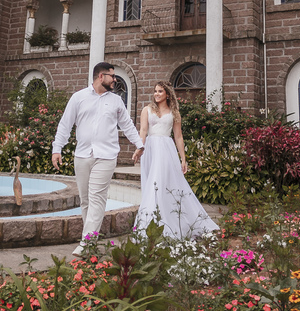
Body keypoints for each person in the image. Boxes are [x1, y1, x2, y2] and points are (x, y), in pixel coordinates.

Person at [52, 62, 144, 256]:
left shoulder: (116, 101)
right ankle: (91, 240)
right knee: (85, 200)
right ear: (101, 76)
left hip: (106, 156)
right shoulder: (78, 98)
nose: (115, 80)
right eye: (112, 76)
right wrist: (57, 148)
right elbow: (65, 124)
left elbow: (127, 125)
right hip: (82, 155)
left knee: (97, 198)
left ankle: (86, 242)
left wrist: (139, 144)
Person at [135, 82, 219, 239]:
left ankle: (162, 224)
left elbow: (178, 137)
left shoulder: (174, 113)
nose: (156, 94)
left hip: (166, 150)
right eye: (155, 91)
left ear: (167, 94)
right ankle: (152, 223)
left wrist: (183, 159)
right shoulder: (147, 110)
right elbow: (143, 131)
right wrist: (139, 148)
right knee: (150, 185)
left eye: (160, 91)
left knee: (160, 184)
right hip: (150, 150)